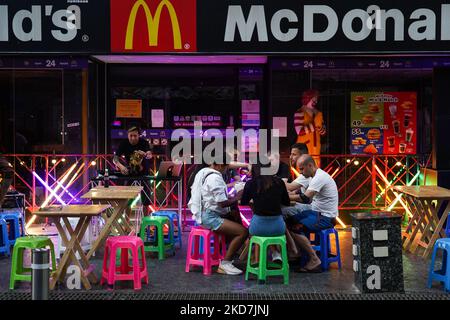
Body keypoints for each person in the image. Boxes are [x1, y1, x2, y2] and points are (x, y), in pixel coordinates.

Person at [188, 152, 248, 275]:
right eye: (227, 167)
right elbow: (222, 203)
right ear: (220, 165)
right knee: (243, 232)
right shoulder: (215, 177)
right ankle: (225, 263)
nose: (227, 170)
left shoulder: (202, 171)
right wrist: (238, 195)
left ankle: (235, 253)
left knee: (234, 216)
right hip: (209, 217)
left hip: (201, 213)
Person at [287, 154, 339, 272]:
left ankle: (314, 259)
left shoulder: (319, 177)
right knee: (289, 219)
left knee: (295, 227)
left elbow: (305, 198)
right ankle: (297, 252)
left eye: (301, 169)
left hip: (325, 218)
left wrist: (286, 197)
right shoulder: (312, 175)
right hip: (316, 213)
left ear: (310, 165)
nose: (300, 172)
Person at [240, 163, 290, 263]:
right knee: (268, 230)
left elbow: (243, 202)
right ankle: (275, 254)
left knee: (259, 231)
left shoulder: (251, 183)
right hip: (278, 227)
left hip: (258, 227)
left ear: (254, 170)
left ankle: (256, 261)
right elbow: (286, 202)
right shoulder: (279, 182)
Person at [113, 126, 153, 214]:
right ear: (127, 135)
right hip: (130, 173)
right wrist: (121, 166)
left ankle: (145, 223)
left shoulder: (144, 143)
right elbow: (115, 159)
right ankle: (126, 226)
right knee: (127, 200)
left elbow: (150, 154)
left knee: (146, 200)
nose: (133, 138)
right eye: (131, 136)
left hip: (144, 173)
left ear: (139, 135)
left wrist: (146, 154)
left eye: (135, 136)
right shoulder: (123, 143)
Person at [294, 89, 326, 167]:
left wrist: (320, 127)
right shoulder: (300, 112)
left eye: (316, 98)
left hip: (316, 147)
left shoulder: (318, 113)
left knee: (315, 167)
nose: (316, 100)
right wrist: (314, 125)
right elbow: (299, 131)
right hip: (304, 146)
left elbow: (323, 132)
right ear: (308, 98)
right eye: (314, 98)